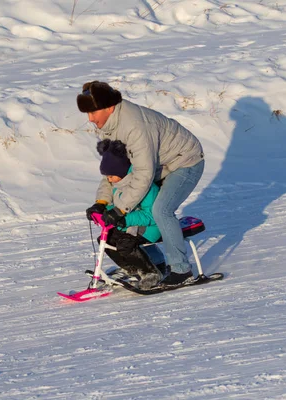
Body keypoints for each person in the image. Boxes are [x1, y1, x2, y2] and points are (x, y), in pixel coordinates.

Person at [80, 80, 205, 286]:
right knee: (135, 206)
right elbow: (113, 173)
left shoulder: (134, 126)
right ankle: (152, 262)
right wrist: (102, 202)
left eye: (94, 112)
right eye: (88, 113)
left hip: (185, 161)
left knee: (160, 209)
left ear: (110, 107)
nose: (91, 119)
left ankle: (181, 269)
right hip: (160, 165)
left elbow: (143, 173)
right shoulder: (109, 126)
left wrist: (120, 209)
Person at [92, 139, 165, 290]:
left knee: (125, 243)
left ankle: (150, 273)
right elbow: (116, 205)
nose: (109, 180)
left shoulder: (145, 187)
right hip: (129, 225)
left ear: (121, 172)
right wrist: (103, 211)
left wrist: (125, 219)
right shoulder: (118, 185)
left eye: (111, 176)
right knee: (106, 240)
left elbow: (151, 215)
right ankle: (132, 269)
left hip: (151, 226)